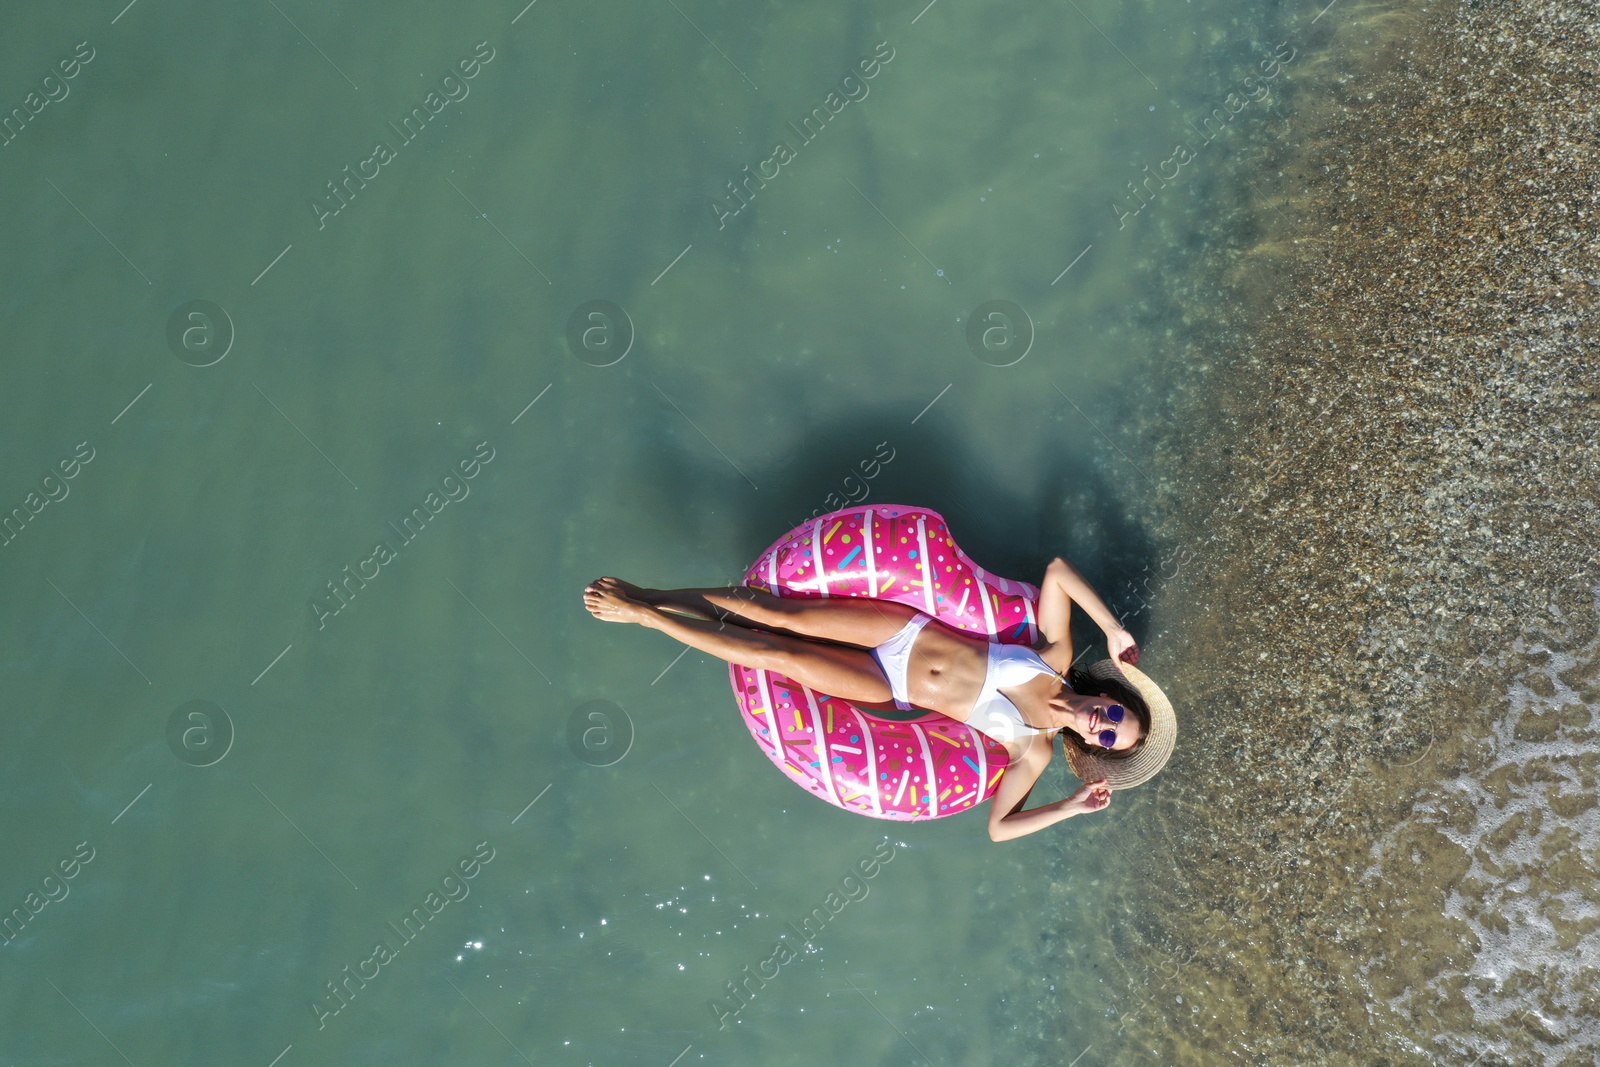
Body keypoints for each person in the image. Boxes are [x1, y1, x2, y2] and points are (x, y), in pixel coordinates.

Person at [583, 555, 1175, 841]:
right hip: (903, 631)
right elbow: (1056, 572)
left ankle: (646, 617)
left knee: (777, 654)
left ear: (1092, 745)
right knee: (773, 611)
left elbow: (999, 829)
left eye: (1106, 737)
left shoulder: (1034, 752)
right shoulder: (1055, 657)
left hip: (888, 684)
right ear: (1112, 698)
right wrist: (1115, 628)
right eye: (1116, 715)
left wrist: (1070, 807)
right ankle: (653, 591)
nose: (1102, 723)